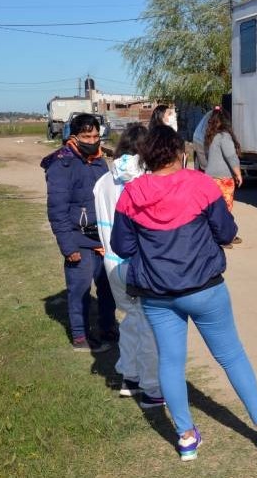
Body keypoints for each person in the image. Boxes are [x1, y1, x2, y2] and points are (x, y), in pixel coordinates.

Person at [110, 125, 257, 461]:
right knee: (231, 356)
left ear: (146, 156)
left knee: (171, 363)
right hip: (205, 288)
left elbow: (122, 246)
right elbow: (227, 232)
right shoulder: (201, 184)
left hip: (157, 293)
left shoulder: (131, 193)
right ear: (179, 154)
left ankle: (186, 438)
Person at [93, 124, 163, 407]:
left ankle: (130, 376)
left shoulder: (103, 181)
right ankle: (151, 388)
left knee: (133, 320)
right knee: (149, 326)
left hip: (111, 262)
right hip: (136, 263)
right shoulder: (144, 179)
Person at [41, 113, 117, 351]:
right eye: (86, 136)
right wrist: (68, 247)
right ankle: (80, 336)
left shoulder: (99, 161)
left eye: (96, 135)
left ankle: (107, 328)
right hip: (78, 240)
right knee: (80, 290)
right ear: (73, 137)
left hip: (102, 238)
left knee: (108, 288)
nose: (92, 140)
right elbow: (57, 210)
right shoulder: (61, 164)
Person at [204, 107, 243, 246]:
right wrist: (238, 173)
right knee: (224, 209)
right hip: (223, 179)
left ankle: (224, 234)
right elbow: (231, 156)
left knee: (214, 209)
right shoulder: (224, 136)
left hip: (210, 178)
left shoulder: (210, 137)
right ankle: (224, 237)